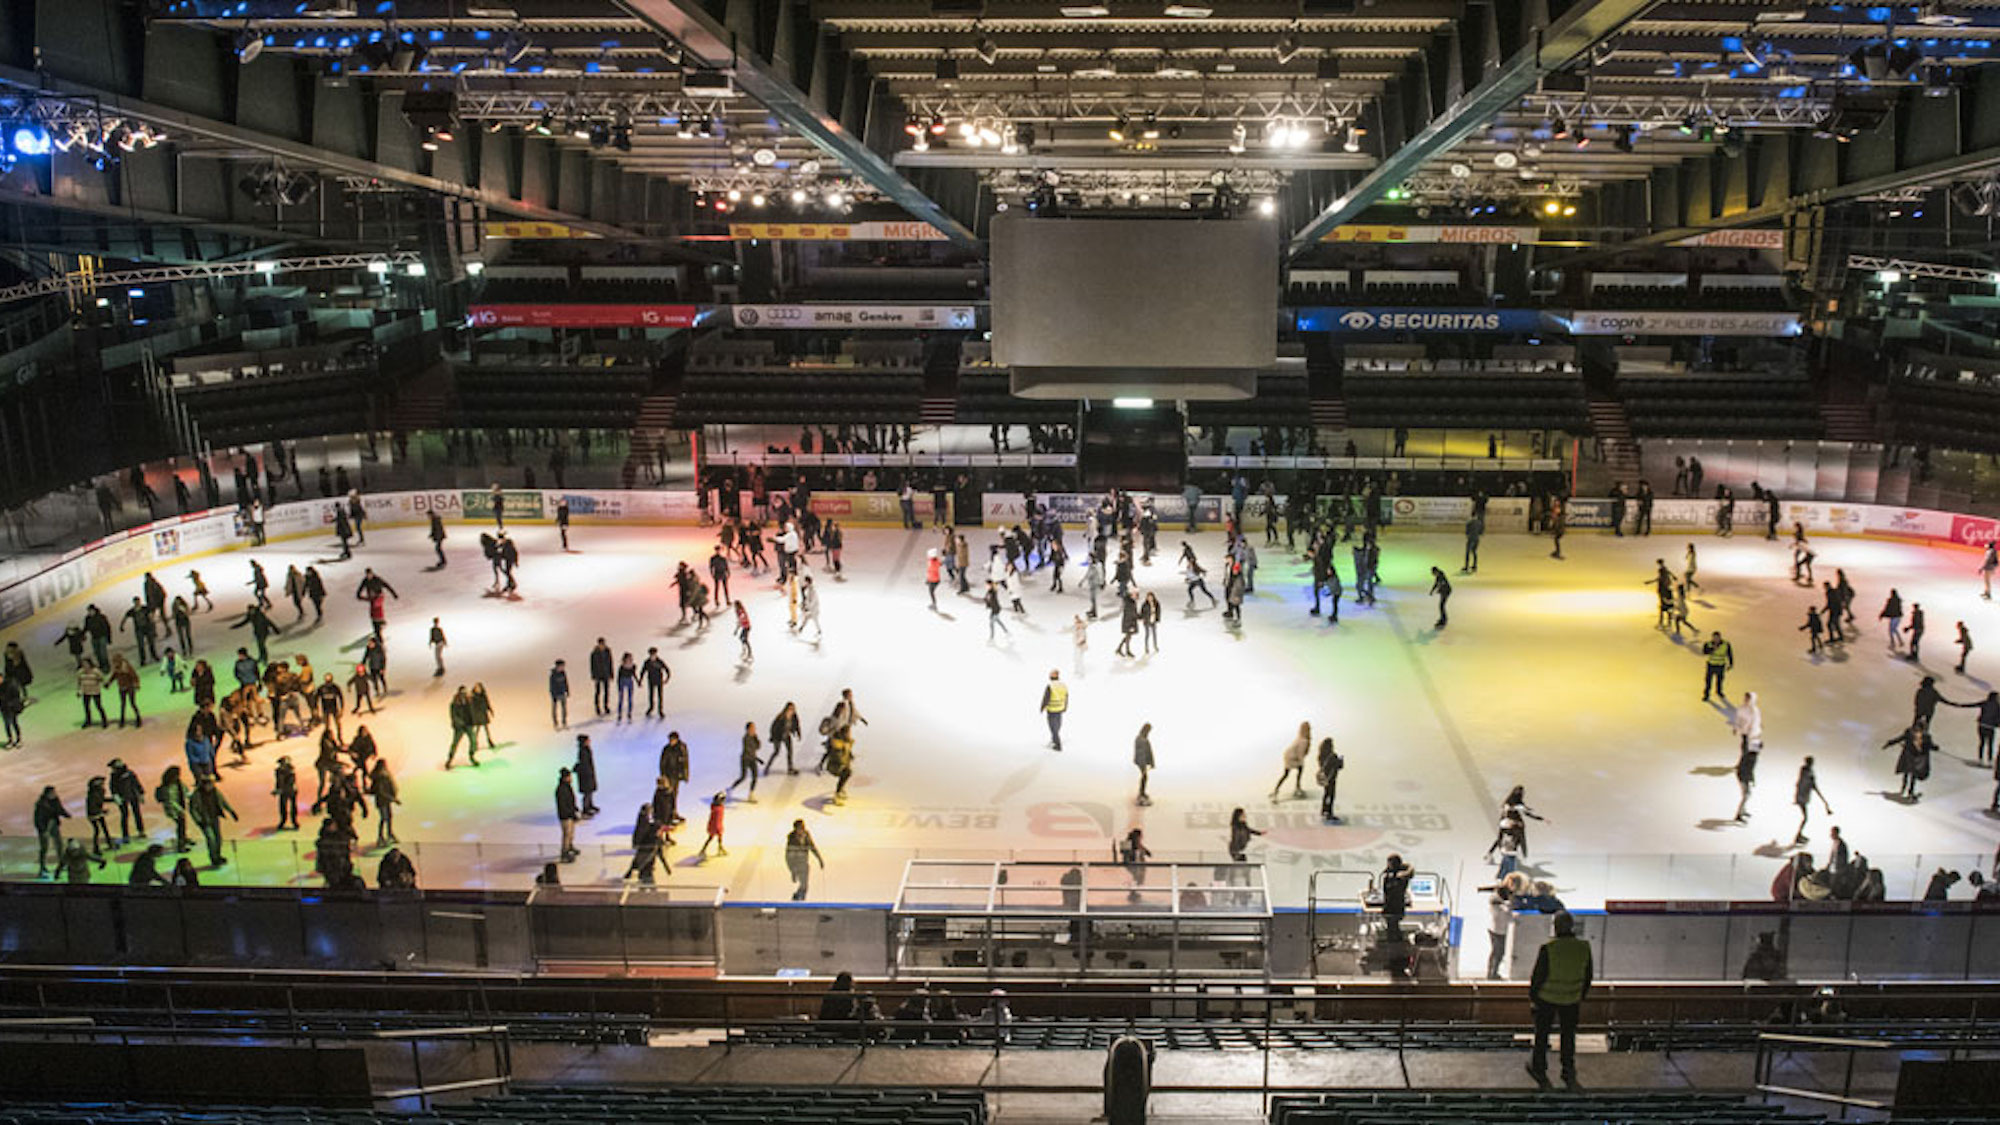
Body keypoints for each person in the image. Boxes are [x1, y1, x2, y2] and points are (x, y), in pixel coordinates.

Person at [1525, 910, 1593, 1092]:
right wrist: (1580, 995)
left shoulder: (1549, 948)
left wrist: (1533, 999)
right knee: (1568, 1036)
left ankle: (1539, 1068)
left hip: (1547, 1000)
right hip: (1571, 1000)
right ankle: (1568, 1069)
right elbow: (1588, 976)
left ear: (1555, 927)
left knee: (1542, 1036)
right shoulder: (1584, 947)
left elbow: (1537, 978)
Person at [189, 774, 238, 867]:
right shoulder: (196, 795)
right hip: (204, 821)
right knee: (211, 839)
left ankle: (218, 856)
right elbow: (193, 809)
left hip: (214, 818)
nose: (211, 786)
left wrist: (231, 811)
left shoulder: (215, 792)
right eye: (209, 784)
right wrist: (199, 820)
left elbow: (223, 801)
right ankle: (214, 858)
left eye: (212, 783)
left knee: (218, 839)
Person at [1793, 756, 1832, 846]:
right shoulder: (1808, 773)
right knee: (1805, 818)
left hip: (1801, 796)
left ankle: (1799, 835)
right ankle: (1798, 836)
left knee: (1805, 818)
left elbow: (1799, 783)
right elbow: (1811, 785)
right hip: (1802, 797)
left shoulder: (1804, 771)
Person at [786, 819, 826, 901]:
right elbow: (788, 857)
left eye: (802, 828)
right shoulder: (791, 839)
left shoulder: (806, 835)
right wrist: (793, 870)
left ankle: (798, 897)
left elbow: (812, 847)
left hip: (804, 863)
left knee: (805, 885)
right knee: (804, 884)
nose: (801, 830)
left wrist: (819, 859)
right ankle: (798, 898)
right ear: (796, 829)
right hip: (797, 864)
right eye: (800, 828)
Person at [1271, 721, 1311, 801]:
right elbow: (1300, 753)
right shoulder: (1303, 740)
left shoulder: (1300, 737)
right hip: (1292, 758)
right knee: (1296, 771)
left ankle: (1277, 789)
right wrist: (1301, 761)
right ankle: (1297, 788)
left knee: (1287, 773)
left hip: (1289, 756)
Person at [554, 767, 580, 863]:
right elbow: (563, 805)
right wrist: (570, 813)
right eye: (569, 777)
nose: (571, 778)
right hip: (565, 816)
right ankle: (564, 853)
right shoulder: (561, 789)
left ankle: (570, 847)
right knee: (567, 834)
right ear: (565, 777)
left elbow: (571, 800)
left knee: (571, 834)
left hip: (570, 815)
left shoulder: (567, 787)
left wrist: (575, 810)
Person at [1317, 737, 1344, 823]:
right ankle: (1329, 813)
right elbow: (1339, 766)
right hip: (1331, 778)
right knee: (1331, 795)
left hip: (1325, 777)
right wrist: (1341, 760)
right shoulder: (1333, 755)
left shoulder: (1321, 755)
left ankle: (1324, 810)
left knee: (1326, 794)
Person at [1040, 669, 1068, 751]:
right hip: (1060, 708)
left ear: (1052, 676)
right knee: (1058, 725)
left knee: (1053, 727)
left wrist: (1042, 707)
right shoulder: (1063, 685)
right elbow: (1066, 697)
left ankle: (1057, 745)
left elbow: (1046, 698)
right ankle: (1054, 740)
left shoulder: (1050, 685)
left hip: (1052, 709)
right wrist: (1065, 707)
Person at [1701, 631, 1733, 703]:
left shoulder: (1726, 644)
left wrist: (1731, 664)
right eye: (1714, 638)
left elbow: (1729, 654)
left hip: (1720, 665)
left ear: (1720, 637)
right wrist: (1712, 649)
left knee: (1720, 680)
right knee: (1708, 681)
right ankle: (1706, 694)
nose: (1716, 639)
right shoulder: (1708, 644)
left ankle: (1719, 691)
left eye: (1717, 638)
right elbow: (1704, 652)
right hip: (1711, 665)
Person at [696, 792, 728, 860]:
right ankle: (703, 850)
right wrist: (717, 827)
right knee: (711, 838)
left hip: (718, 824)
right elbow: (716, 819)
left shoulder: (718, 807)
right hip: (715, 825)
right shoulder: (717, 808)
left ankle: (720, 847)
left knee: (718, 837)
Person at [1133, 723, 1155, 806]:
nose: (1149, 732)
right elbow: (1141, 753)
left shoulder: (1143, 738)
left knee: (1144, 777)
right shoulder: (1141, 739)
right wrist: (1143, 765)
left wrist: (1151, 763)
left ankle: (1142, 792)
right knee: (1144, 777)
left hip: (1143, 761)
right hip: (1141, 762)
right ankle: (1141, 794)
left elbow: (1149, 751)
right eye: (1149, 730)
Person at [548, 659, 570, 729]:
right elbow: (551, 686)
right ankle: (555, 723)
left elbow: (566, 682)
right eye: (562, 666)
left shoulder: (563, 673)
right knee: (554, 709)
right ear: (557, 666)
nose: (563, 667)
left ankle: (564, 722)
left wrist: (567, 690)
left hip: (562, 693)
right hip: (555, 694)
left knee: (564, 709)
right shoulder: (553, 675)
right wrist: (553, 695)